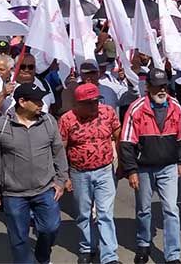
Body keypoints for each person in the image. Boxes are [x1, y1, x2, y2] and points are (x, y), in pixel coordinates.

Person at [0, 83, 68, 264]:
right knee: (19, 239)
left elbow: (58, 152)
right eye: (37, 100)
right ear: (22, 102)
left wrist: (61, 180)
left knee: (50, 228)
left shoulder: (48, 121)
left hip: (46, 189)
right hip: (14, 194)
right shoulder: (1, 126)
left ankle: (42, 256)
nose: (41, 104)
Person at [120, 68, 181, 264]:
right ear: (148, 87)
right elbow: (126, 142)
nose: (162, 90)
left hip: (168, 167)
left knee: (171, 210)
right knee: (143, 209)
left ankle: (173, 255)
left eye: (164, 86)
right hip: (143, 169)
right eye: (157, 86)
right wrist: (132, 170)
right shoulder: (136, 108)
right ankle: (143, 244)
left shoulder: (175, 105)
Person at [59, 83, 121, 264]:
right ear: (77, 103)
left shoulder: (108, 112)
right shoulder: (67, 120)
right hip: (79, 173)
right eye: (89, 103)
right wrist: (65, 176)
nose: (94, 106)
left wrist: (121, 162)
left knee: (105, 213)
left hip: (104, 171)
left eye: (96, 101)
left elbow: (118, 135)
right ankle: (87, 247)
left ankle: (109, 255)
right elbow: (60, 150)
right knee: (83, 212)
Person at [0, 53, 54, 118]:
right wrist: (3, 94)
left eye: (30, 67)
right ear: (15, 68)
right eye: (22, 67)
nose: (26, 70)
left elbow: (52, 108)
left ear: (35, 68)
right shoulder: (4, 84)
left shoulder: (44, 83)